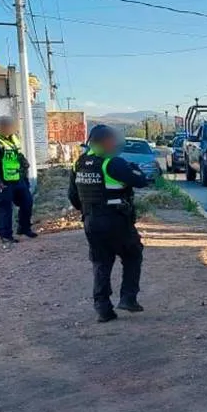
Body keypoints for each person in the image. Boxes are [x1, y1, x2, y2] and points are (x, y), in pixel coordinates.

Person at [68, 125, 152, 322]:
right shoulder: (111, 163)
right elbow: (140, 181)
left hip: (91, 220)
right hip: (116, 219)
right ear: (105, 141)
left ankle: (103, 309)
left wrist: (90, 210)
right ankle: (128, 298)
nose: (116, 143)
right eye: (113, 140)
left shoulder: (79, 163)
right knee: (132, 254)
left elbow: (72, 196)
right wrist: (135, 170)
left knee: (101, 263)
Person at [0, 115, 35, 244]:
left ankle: (24, 228)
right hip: (4, 182)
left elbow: (17, 156)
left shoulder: (14, 139)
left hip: (18, 179)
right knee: (5, 208)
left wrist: (24, 171)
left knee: (27, 203)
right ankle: (6, 235)